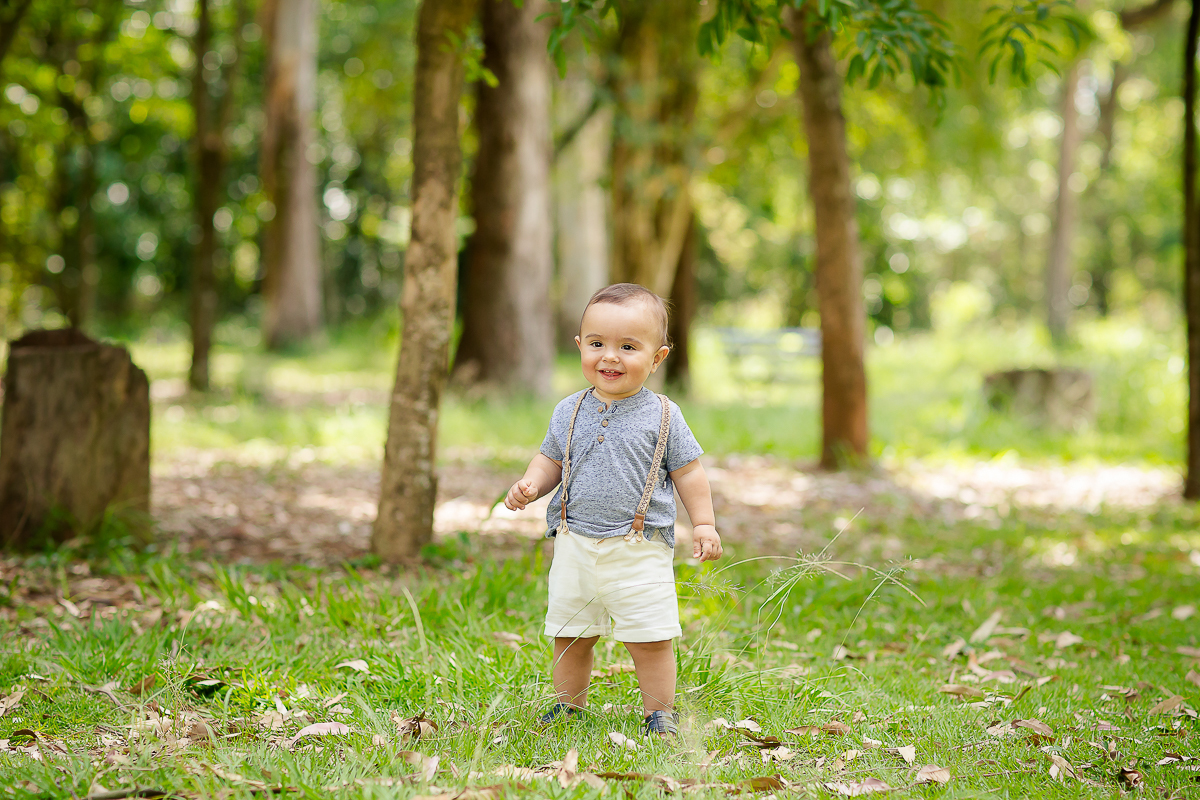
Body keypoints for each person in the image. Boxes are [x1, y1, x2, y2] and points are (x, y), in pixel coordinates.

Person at [504, 283, 723, 738]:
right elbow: (551, 460)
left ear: (658, 358)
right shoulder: (570, 409)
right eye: (598, 344)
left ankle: (660, 712)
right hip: (575, 541)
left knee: (650, 636)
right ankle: (568, 707)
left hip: (638, 545)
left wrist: (703, 523)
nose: (610, 357)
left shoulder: (663, 414)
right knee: (571, 633)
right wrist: (531, 485)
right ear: (580, 346)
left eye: (628, 346)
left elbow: (689, 473)